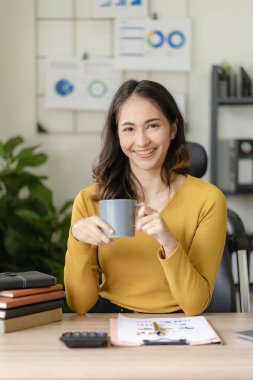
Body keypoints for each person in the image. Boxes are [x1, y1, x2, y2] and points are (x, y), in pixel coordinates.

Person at [64, 79, 227, 316]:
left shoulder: (208, 200)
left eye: (152, 126)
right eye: (129, 129)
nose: (141, 141)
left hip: (179, 324)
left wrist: (169, 242)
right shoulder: (91, 200)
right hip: (110, 319)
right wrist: (78, 239)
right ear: (117, 135)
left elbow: (195, 304)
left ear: (172, 128)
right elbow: (79, 304)